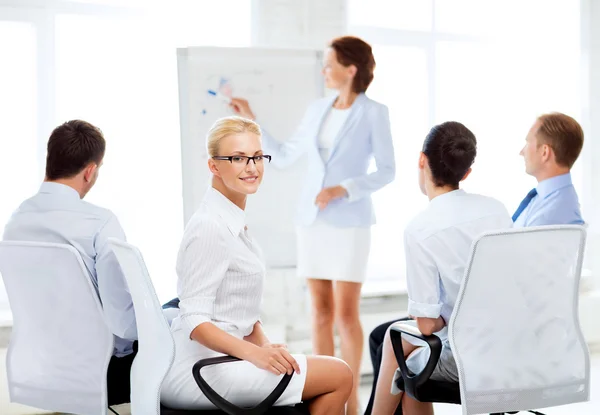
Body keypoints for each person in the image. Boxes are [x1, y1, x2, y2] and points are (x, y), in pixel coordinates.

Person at [229, 36, 395, 414]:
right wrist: (252, 119)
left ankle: (351, 401)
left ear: (350, 69)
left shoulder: (374, 112)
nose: (324, 69)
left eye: (329, 63)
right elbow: (286, 156)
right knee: (319, 310)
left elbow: (387, 171)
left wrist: (344, 189)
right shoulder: (318, 108)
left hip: (349, 222)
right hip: (312, 222)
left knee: (346, 313)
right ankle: (326, 392)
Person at [160, 116, 353, 415]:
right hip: (199, 369)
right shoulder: (210, 227)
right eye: (238, 158)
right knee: (339, 374)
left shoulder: (231, 219)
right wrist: (255, 355)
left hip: (221, 358)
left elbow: (239, 310)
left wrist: (266, 345)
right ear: (214, 166)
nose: (251, 167)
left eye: (257, 157)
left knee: (320, 370)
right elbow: (195, 322)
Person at [370, 122, 512, 414]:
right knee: (398, 345)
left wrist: (441, 316)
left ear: (421, 160)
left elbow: (426, 325)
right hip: (514, 349)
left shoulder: (421, 228)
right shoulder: (496, 209)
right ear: (467, 172)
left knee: (404, 365)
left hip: (468, 358)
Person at [2, 120, 137, 406]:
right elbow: (123, 326)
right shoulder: (101, 223)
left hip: (40, 370)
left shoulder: (15, 221)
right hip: (100, 375)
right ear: (90, 171)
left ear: (51, 160)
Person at [512, 112, 584, 227]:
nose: (521, 152)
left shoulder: (553, 215)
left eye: (528, 142)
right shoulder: (544, 199)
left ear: (544, 152)